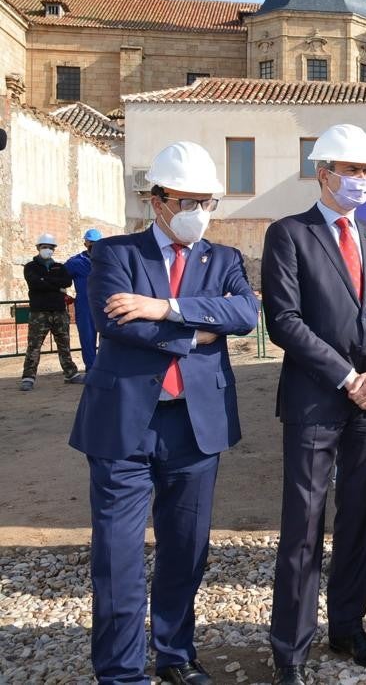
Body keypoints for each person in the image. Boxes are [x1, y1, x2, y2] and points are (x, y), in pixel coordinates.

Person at [69, 141, 258, 685]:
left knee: (186, 549)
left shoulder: (223, 259)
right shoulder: (116, 254)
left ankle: (175, 654)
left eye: (209, 201)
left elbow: (245, 314)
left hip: (195, 428)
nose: (199, 212)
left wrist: (166, 307)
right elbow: (117, 324)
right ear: (158, 201)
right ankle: (121, 671)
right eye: (188, 200)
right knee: (118, 556)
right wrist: (199, 330)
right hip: (124, 426)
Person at [262, 124, 366, 685]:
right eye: (353, 171)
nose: (362, 181)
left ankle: (348, 626)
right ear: (323, 173)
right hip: (315, 403)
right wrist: (348, 375)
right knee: (303, 526)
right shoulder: (289, 234)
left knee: (360, 521)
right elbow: (285, 322)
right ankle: (290, 650)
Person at [20, 233, 84, 390]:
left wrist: (45, 281)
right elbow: (34, 283)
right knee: (34, 345)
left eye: (50, 247)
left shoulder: (59, 267)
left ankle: (70, 373)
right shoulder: (30, 267)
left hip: (59, 312)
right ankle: (28, 377)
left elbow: (67, 282)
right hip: (39, 313)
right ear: (38, 248)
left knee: (64, 344)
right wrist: (56, 286)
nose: (47, 250)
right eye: (44, 247)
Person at [65, 228, 102, 370]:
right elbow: (60, 278)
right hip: (85, 305)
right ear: (85, 243)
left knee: (107, 338)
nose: (93, 245)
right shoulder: (75, 262)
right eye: (91, 242)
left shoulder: (108, 259)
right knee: (87, 338)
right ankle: (91, 369)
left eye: (97, 243)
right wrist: (63, 293)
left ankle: (105, 368)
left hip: (105, 304)